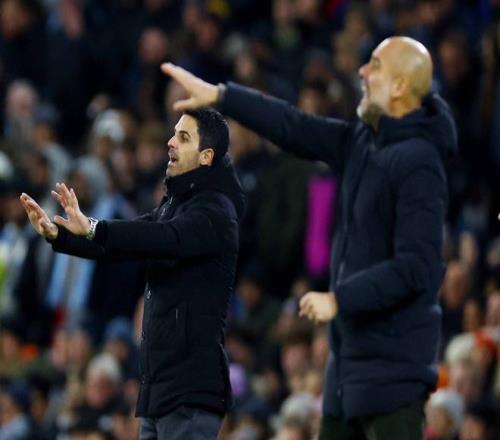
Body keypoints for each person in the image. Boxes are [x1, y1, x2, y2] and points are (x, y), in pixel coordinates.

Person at [161, 36, 457, 440]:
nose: (362, 72)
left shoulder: (420, 162)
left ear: (401, 86)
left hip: (394, 370)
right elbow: (294, 126)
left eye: (375, 65)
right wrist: (223, 97)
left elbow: (416, 267)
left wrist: (340, 299)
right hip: (347, 363)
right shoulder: (363, 141)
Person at [20, 108, 245, 439]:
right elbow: (118, 246)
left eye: (183, 137)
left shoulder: (215, 211)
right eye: (174, 133)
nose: (171, 142)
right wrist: (59, 235)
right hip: (158, 391)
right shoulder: (174, 206)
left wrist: (93, 227)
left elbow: (163, 238)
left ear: (206, 156)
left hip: (190, 392)